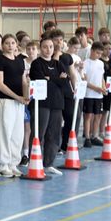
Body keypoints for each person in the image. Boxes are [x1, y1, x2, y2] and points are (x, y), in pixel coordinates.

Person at [0, 35, 29, 178]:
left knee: (17, 133)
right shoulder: (0, 60)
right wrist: (16, 97)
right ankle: (3, 165)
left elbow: (23, 81)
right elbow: (0, 84)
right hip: (5, 101)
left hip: (19, 102)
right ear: (2, 45)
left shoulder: (20, 61)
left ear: (16, 45)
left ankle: (13, 163)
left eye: (13, 43)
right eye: (7, 43)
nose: (10, 45)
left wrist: (25, 96)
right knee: (4, 132)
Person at [29, 36, 65, 177]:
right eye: (45, 47)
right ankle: (35, 162)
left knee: (54, 134)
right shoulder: (36, 64)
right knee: (39, 133)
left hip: (57, 103)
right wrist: (57, 79)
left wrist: (50, 79)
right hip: (41, 104)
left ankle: (48, 164)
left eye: (51, 47)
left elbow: (65, 82)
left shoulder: (58, 64)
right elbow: (40, 81)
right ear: (40, 48)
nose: (48, 49)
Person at [82, 42, 107, 146]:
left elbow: (102, 77)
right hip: (89, 94)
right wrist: (96, 88)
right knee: (88, 116)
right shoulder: (85, 63)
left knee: (98, 115)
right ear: (91, 50)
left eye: (100, 53)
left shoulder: (101, 63)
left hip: (99, 95)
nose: (99, 55)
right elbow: (85, 81)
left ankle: (95, 136)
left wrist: (103, 87)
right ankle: (87, 137)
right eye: (97, 53)